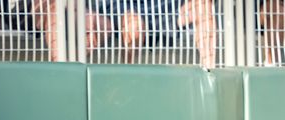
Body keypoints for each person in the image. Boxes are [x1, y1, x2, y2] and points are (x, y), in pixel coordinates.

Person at [85, 0, 218, 68]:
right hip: (128, 6)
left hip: (168, 7)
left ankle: (210, 76)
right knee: (134, 27)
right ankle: (125, 77)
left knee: (203, 5)